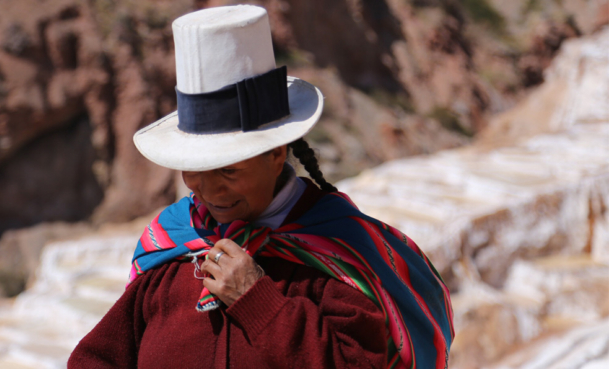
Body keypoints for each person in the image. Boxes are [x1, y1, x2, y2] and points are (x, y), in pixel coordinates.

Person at [68, 5, 453, 369]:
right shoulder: (171, 248)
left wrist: (258, 301)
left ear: (276, 154)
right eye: (194, 172)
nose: (211, 192)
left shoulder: (340, 253)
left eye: (229, 172)